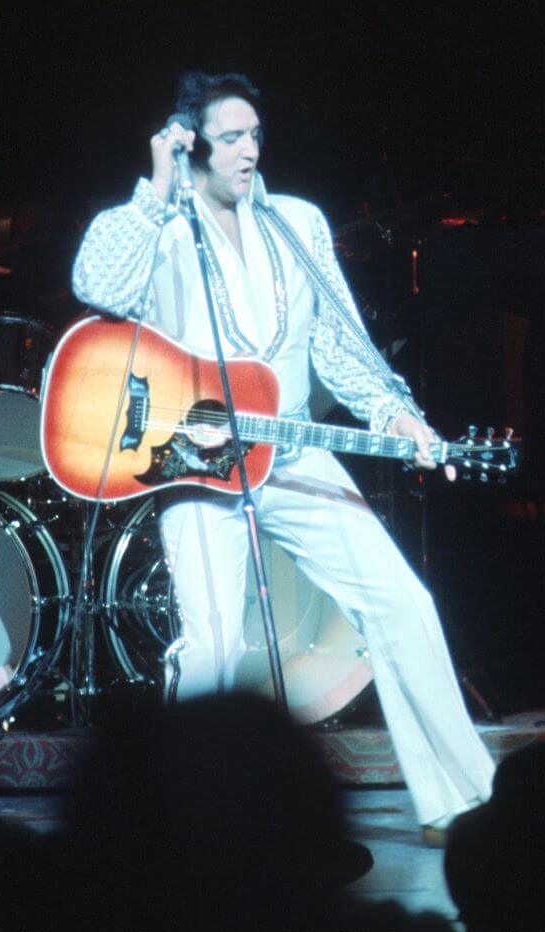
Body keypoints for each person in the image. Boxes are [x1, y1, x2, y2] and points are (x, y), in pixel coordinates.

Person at [71, 71, 494, 839]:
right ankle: (183, 823)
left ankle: (463, 800)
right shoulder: (162, 223)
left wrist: (404, 419)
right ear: (193, 141)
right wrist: (155, 186)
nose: (248, 151)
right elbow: (94, 284)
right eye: (230, 137)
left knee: (403, 602)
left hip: (292, 448)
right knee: (213, 645)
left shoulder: (298, 221)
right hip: (193, 464)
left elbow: (342, 344)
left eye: (255, 136)